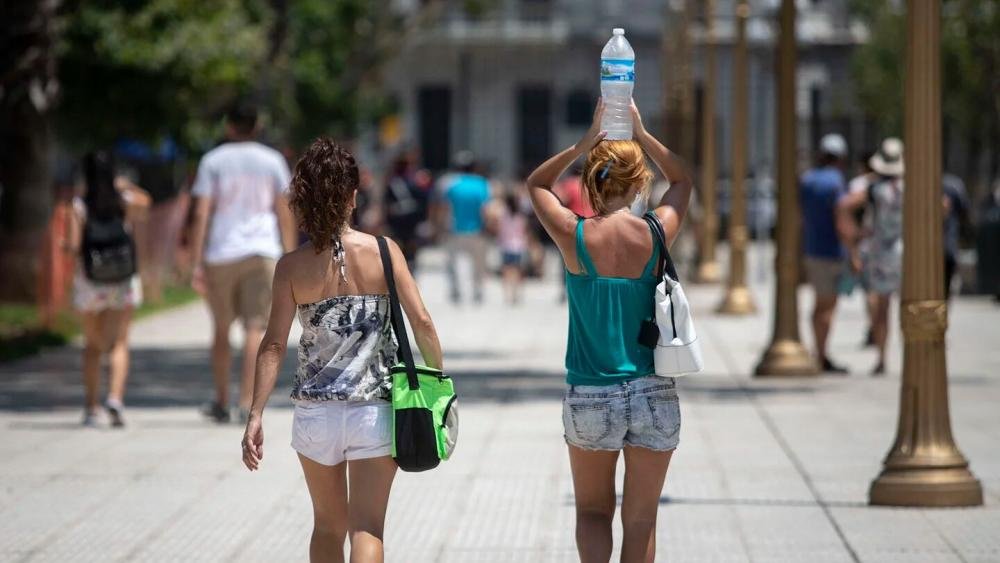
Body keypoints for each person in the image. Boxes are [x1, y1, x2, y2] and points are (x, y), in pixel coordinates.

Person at [241, 139, 442, 563]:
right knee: (367, 529)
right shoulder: (384, 252)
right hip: (373, 411)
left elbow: (274, 343)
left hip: (315, 415)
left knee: (327, 528)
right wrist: (438, 384)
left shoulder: (292, 267)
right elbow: (421, 321)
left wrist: (255, 413)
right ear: (353, 196)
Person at [527, 99, 693, 563]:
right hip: (651, 390)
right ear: (640, 183)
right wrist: (641, 134)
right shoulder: (657, 233)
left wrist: (582, 143)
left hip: (591, 393)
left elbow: (537, 183)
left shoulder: (573, 234)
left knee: (593, 512)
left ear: (590, 182)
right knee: (641, 521)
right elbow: (682, 180)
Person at [190, 102, 297, 423]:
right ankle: (246, 401)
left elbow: (201, 211)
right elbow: (284, 209)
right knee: (256, 328)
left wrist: (196, 261)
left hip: (221, 252)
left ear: (228, 126)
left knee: (221, 328)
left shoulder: (213, 161)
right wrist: (288, 255)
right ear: (257, 125)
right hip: (263, 250)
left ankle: (221, 399)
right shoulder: (273, 160)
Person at [68, 151, 151, 427]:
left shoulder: (79, 206)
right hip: (121, 281)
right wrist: (126, 186)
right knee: (119, 342)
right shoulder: (122, 201)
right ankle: (115, 399)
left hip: (91, 282)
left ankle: (92, 408)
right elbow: (147, 202)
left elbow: (72, 246)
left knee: (92, 345)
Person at [838, 138, 905, 376]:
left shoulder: (874, 189)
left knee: (882, 308)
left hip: (881, 251)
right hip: (906, 249)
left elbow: (844, 206)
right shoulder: (911, 188)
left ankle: (882, 358)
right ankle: (912, 356)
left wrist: (854, 239)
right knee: (912, 307)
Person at [799, 133, 850, 374]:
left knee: (818, 305)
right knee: (828, 306)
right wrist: (852, 248)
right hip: (831, 250)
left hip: (811, 248)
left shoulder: (808, 179)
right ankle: (821, 355)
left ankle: (819, 352)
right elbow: (841, 217)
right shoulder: (836, 181)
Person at [434, 151, 491, 304]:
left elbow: (444, 207)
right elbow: (485, 209)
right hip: (477, 229)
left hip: (454, 229)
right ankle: (477, 291)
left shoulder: (450, 183)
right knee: (478, 264)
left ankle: (456, 291)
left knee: (452, 263)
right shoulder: (482, 183)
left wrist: (439, 227)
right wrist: (489, 226)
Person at [847, 150, 878, 347]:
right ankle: (878, 327)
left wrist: (852, 244)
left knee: (869, 291)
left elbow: (846, 211)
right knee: (883, 293)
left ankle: (873, 327)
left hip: (866, 242)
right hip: (888, 245)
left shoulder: (858, 185)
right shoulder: (894, 184)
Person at [384, 152, 431, 270]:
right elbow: (423, 201)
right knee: (411, 245)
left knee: (398, 246)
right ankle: (410, 266)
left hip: (397, 221)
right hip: (412, 220)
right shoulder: (415, 182)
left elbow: (387, 204)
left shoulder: (391, 183)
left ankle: (400, 268)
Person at [498, 189, 529, 305]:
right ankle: (516, 294)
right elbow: (524, 231)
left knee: (506, 271)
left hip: (505, 245)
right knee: (517, 271)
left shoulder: (503, 214)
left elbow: (500, 230)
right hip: (518, 245)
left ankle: (508, 295)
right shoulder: (520, 215)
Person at [942, 172, 969, 300]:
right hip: (948, 245)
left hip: (946, 245)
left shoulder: (954, 185)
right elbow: (964, 213)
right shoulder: (955, 185)